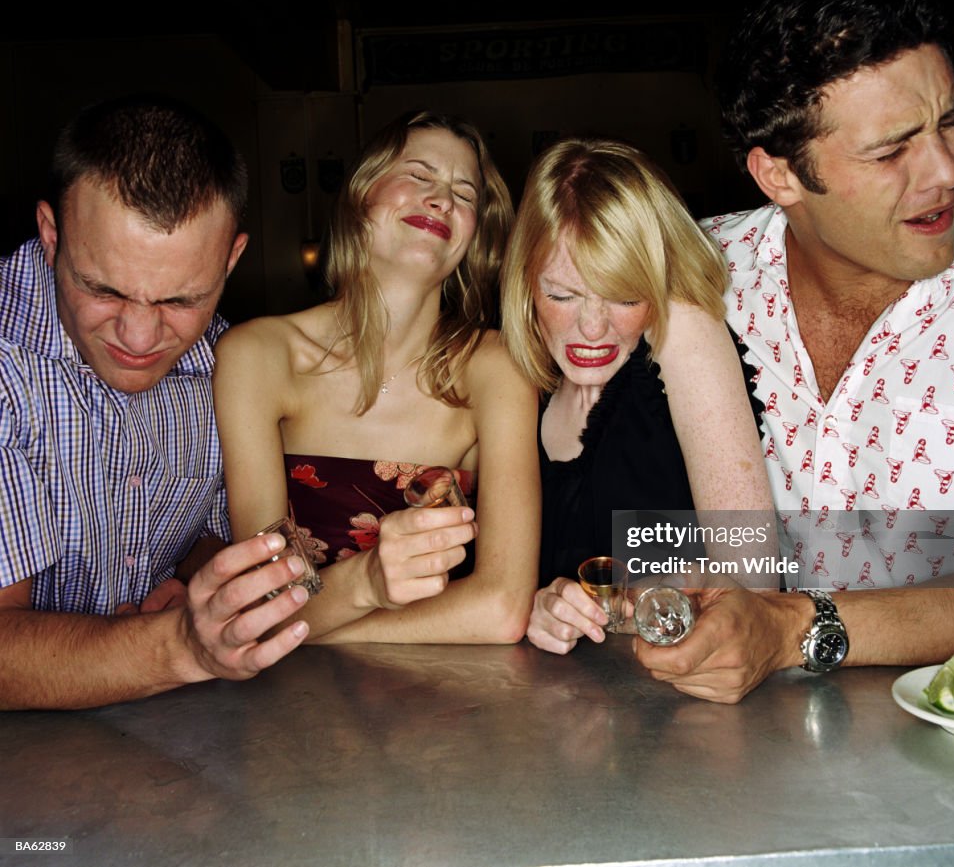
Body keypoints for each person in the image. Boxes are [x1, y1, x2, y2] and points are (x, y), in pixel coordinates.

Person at [636, 0, 954, 703]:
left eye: (950, 120)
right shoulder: (693, 279)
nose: (947, 169)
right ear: (779, 175)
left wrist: (793, 628)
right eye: (891, 151)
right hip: (736, 760)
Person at [0, 95, 311, 710]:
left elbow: (215, 533)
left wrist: (200, 582)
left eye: (181, 300)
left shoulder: (233, 360)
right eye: (101, 289)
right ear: (50, 233)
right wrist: (179, 645)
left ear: (232, 259)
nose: (139, 339)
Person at [214, 110, 539, 643]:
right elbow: (257, 600)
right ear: (361, 193)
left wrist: (305, 630)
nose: (443, 200)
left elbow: (502, 609)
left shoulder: (496, 367)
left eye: (465, 192)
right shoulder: (257, 355)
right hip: (286, 706)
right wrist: (364, 586)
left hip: (451, 701)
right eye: (418, 174)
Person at [500, 138, 775, 655]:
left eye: (625, 296)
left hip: (684, 710)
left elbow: (755, 584)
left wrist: (635, 600)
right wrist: (544, 607)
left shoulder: (683, 333)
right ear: (525, 283)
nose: (591, 327)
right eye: (561, 294)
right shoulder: (520, 383)